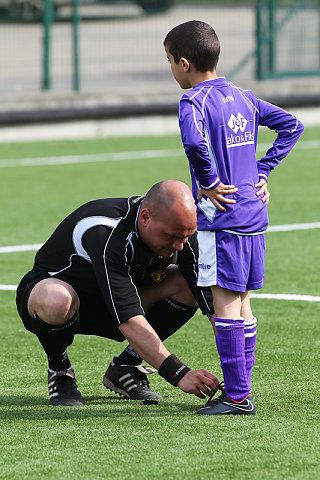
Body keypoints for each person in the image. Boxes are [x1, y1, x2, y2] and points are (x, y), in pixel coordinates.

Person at [164, 21, 304, 415]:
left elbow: (193, 141)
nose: (171, 68)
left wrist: (207, 182)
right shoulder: (243, 96)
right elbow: (292, 125)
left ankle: (238, 397)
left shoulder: (193, 102)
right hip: (253, 216)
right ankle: (240, 388)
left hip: (220, 217)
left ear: (185, 63)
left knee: (224, 304)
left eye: (170, 60)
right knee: (242, 302)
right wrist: (262, 171)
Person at [16, 179, 220, 407]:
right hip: (64, 304)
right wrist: (178, 373)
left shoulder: (181, 232)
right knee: (55, 299)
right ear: (145, 217)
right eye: (171, 237)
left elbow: (208, 296)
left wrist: (236, 361)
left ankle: (125, 368)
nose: (179, 246)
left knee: (185, 284)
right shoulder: (105, 231)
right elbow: (128, 318)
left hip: (116, 303)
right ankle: (60, 370)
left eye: (186, 236)